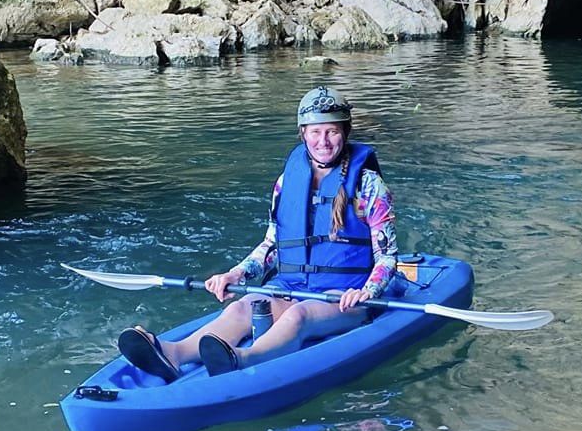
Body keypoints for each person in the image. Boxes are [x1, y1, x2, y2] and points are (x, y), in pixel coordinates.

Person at [119, 86, 399, 379]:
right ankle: (173, 354)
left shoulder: (368, 186)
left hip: (344, 296)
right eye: (315, 132)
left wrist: (367, 291)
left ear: (346, 131)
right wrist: (236, 274)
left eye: (332, 131)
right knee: (243, 308)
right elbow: (273, 245)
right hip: (291, 287)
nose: (323, 141)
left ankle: (244, 359)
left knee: (297, 316)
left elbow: (388, 257)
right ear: (303, 133)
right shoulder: (286, 182)